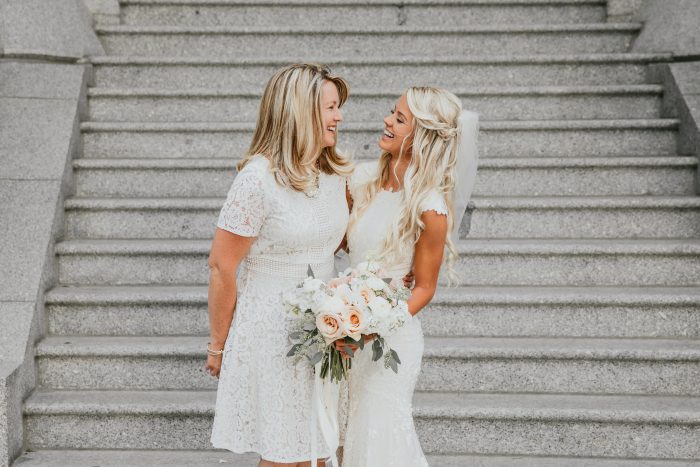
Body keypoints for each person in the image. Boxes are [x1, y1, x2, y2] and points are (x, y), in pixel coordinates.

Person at [206, 63, 352, 467]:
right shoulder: (257, 180)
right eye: (330, 107)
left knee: (318, 449)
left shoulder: (335, 174)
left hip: (326, 330)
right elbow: (221, 267)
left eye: (338, 107)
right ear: (299, 111)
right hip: (273, 331)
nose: (339, 117)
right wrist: (218, 345)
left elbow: (339, 241)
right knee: (287, 456)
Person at [341, 87, 479, 466]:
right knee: (341, 438)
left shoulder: (430, 208)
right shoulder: (361, 182)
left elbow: (425, 288)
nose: (387, 120)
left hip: (389, 341)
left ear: (423, 137)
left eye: (400, 119)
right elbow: (337, 242)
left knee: (377, 439)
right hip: (342, 329)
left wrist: (374, 325)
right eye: (392, 112)